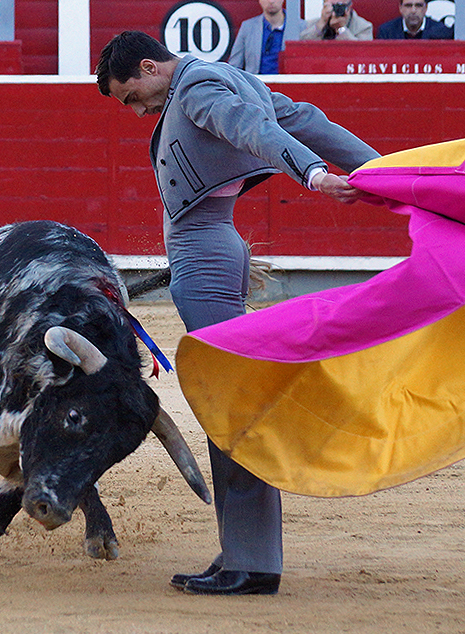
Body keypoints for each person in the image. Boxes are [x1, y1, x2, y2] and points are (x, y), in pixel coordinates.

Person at [95, 30, 378, 596]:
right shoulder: (226, 75)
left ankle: (251, 561)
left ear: (148, 68)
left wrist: (315, 175)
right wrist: (379, 168)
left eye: (132, 96)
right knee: (229, 403)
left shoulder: (197, 88)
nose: (138, 111)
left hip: (206, 258)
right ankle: (244, 552)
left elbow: (259, 131)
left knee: (232, 406)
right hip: (213, 252)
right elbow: (306, 119)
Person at [227, 0, 287, 74]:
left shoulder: (301, 27)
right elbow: (234, 66)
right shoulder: (248, 27)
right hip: (255, 82)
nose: (271, 1)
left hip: (289, 82)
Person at [377, 0, 453, 40]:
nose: (413, 11)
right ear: (400, 8)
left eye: (418, 5)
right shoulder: (387, 32)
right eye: (408, 5)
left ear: (426, 8)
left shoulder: (442, 31)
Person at [299, 0, 373, 41]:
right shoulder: (311, 24)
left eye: (339, 5)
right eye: (332, 5)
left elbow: (360, 50)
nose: (335, 9)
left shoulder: (364, 27)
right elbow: (302, 44)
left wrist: (341, 29)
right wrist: (321, 24)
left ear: (349, 7)